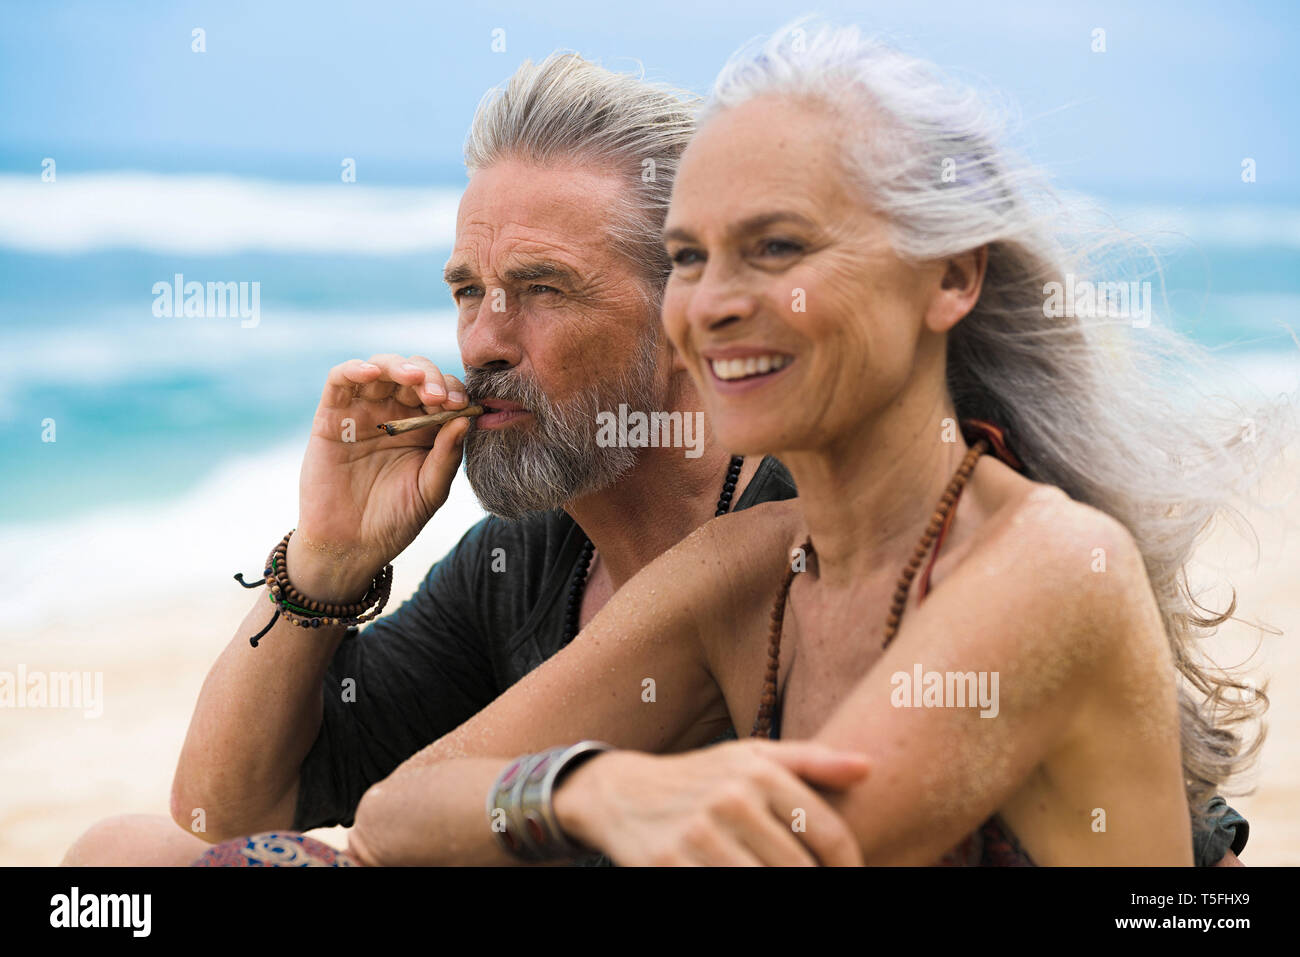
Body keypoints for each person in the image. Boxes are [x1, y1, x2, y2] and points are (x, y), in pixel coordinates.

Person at [337, 20, 1272, 867]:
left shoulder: (1055, 562)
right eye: (693, 257)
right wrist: (590, 786)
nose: (715, 303)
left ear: (949, 277)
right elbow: (395, 814)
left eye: (778, 248)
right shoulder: (748, 563)